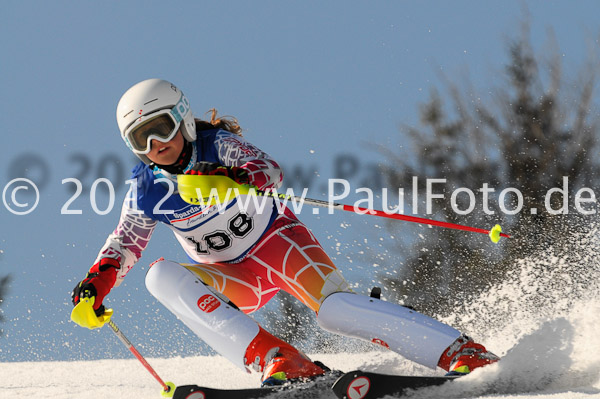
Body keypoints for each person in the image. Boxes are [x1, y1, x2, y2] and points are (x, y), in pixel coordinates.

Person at [71, 78, 499, 386]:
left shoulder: (215, 145)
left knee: (335, 312)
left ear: (182, 119)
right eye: (140, 139)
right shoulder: (147, 188)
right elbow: (125, 241)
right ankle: (279, 361)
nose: (155, 145)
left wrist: (229, 176)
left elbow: (268, 170)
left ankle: (460, 351)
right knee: (159, 277)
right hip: (233, 278)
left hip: (280, 246)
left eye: (161, 128)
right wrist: (96, 284)